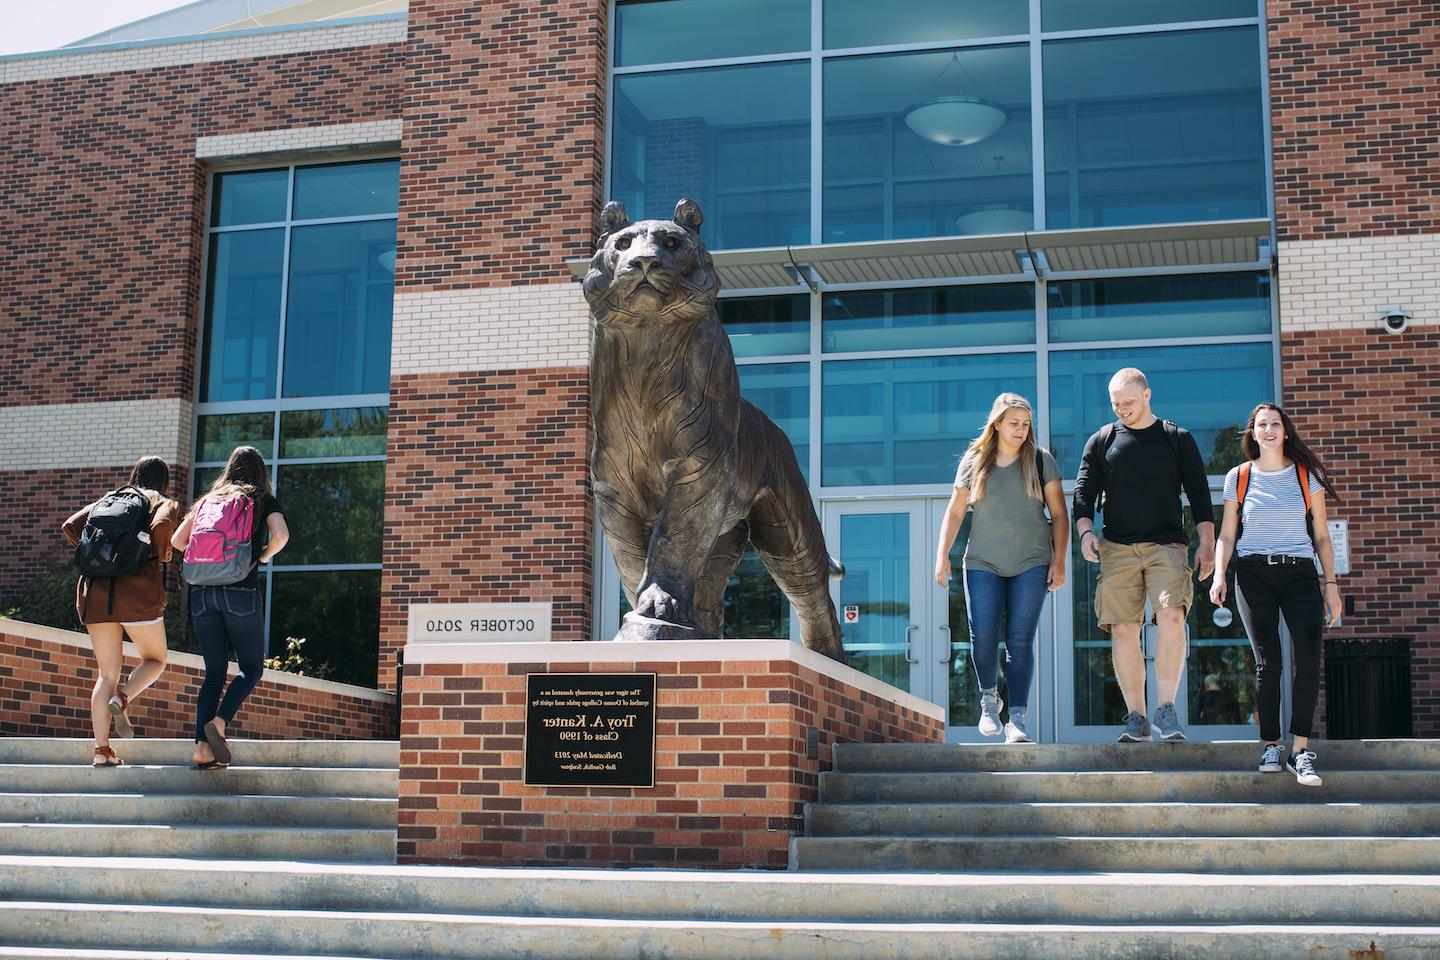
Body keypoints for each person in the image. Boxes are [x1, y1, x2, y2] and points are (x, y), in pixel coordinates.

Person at [1073, 368, 1215, 743]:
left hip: (1167, 545)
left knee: (1170, 618)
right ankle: (1136, 715)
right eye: (1115, 403)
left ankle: (1165, 708)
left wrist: (1207, 543)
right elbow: (1083, 495)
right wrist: (1086, 532)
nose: (1121, 409)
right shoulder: (1102, 441)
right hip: (1117, 548)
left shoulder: (1176, 439)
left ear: (1147, 395)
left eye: (1128, 402)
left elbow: (1200, 495)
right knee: (1123, 630)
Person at [1210, 403, 1341, 787]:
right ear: (1252, 433)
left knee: (1308, 659)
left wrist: (1331, 586)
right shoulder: (1240, 476)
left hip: (1300, 573)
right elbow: (1228, 534)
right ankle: (1271, 745)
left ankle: (1300, 751)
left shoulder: (1306, 475)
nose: (1268, 430)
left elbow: (1320, 536)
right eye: (1261, 425)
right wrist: (1219, 575)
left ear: (1285, 432)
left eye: (1275, 425)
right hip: (1252, 575)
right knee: (1268, 664)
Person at [936, 393, 1069, 743]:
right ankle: (989, 700)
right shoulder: (974, 461)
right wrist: (941, 555)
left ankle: (1018, 719)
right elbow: (953, 511)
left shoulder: (1041, 461)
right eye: (1014, 423)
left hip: (1032, 562)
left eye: (1026, 424)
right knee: (982, 639)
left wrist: (1059, 560)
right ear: (997, 424)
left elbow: (1059, 514)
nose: (1021, 430)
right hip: (982, 563)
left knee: (1020, 642)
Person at [172, 446, 288, 769]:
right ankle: (220, 723)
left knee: (213, 673)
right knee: (251, 668)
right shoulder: (261, 498)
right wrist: (262, 556)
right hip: (240, 591)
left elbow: (177, 542)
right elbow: (281, 534)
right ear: (260, 472)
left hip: (202, 595)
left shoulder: (208, 500)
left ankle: (200, 749)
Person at [61, 456, 180, 767]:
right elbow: (161, 526)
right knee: (155, 659)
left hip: (96, 593)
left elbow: (70, 525)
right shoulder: (161, 501)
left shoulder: (109, 499)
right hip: (137, 593)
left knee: (106, 674)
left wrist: (102, 557)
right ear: (163, 480)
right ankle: (123, 697)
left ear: (134, 475)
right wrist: (158, 555)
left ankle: (102, 751)